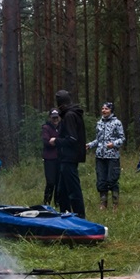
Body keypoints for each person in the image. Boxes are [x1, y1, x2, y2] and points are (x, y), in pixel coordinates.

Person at [51, 89, 87, 217]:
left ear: (60, 103)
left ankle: (80, 218)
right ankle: (64, 216)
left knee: (73, 190)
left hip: (69, 158)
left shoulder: (70, 115)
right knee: (62, 192)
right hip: (66, 158)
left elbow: (72, 139)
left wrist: (56, 140)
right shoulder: (70, 114)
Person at [87, 102, 126, 210]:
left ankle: (115, 204)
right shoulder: (99, 123)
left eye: (106, 109)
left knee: (112, 180)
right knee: (101, 181)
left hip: (112, 156)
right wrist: (89, 145)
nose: (104, 110)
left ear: (111, 111)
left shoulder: (117, 123)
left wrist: (113, 144)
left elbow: (122, 139)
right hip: (100, 156)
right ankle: (103, 203)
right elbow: (98, 140)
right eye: (103, 108)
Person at [41, 109, 61, 205]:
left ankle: (57, 203)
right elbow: (46, 142)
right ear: (50, 118)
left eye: (56, 117)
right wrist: (58, 141)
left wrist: (55, 140)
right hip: (49, 159)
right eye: (53, 117)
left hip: (60, 158)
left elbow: (64, 140)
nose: (55, 119)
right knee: (50, 182)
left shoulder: (62, 127)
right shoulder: (46, 128)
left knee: (59, 182)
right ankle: (47, 203)